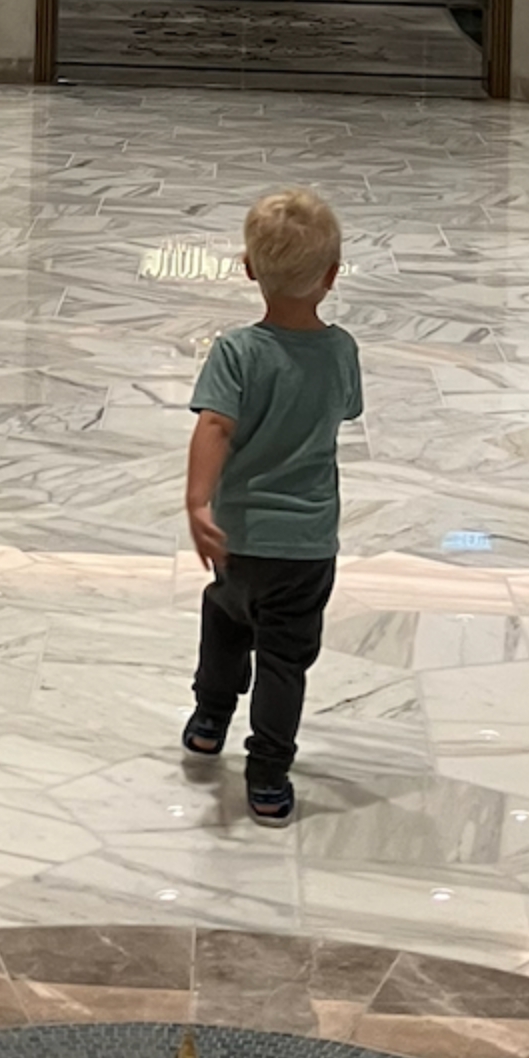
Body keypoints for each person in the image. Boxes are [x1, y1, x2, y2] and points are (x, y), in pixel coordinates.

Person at [179, 184, 363, 824]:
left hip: (239, 537)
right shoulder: (340, 351)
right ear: (332, 276)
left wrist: (199, 502)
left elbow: (215, 427)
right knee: (285, 659)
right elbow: (345, 410)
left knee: (225, 618)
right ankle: (268, 774)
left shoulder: (236, 351)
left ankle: (209, 718)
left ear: (249, 268)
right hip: (308, 545)